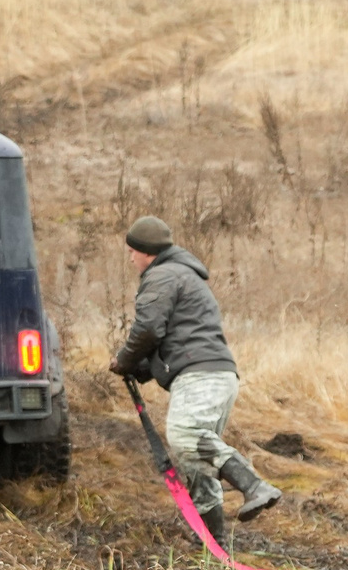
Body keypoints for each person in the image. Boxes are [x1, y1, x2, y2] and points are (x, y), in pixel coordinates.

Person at [110, 216, 278, 544]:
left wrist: (124, 359)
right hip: (216, 374)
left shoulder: (161, 275)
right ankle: (213, 546)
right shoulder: (183, 276)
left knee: (186, 435)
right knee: (196, 460)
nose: (130, 259)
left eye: (132, 252)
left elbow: (148, 329)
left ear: (146, 252)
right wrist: (140, 369)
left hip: (200, 375)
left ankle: (255, 486)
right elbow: (175, 338)